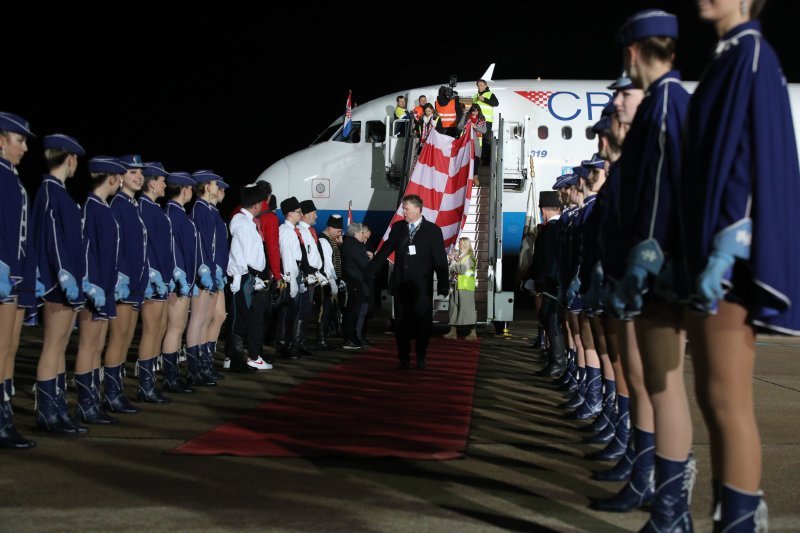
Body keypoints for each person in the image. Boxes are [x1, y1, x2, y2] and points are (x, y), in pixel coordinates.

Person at [681, 1, 798, 529]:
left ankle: (743, 521)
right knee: (712, 398)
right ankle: (732, 517)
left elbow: (752, 158)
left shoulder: (752, 56)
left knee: (728, 401)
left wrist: (732, 244)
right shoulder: (728, 58)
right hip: (708, 251)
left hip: (728, 262)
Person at [31, 134, 88, 435]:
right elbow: (54, 238)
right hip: (57, 283)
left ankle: (58, 409)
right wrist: (64, 274)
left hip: (67, 283)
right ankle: (47, 412)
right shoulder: (51, 191)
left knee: (60, 346)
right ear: (69, 158)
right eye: (76, 158)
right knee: (52, 347)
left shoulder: (59, 192)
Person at [366, 195, 448, 369]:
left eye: (406, 209)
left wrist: (443, 282)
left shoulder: (432, 230)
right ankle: (403, 357)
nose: (403, 212)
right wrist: (370, 271)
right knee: (401, 324)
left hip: (421, 287)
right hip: (401, 284)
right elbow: (384, 251)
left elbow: (440, 259)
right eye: (403, 209)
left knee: (423, 323)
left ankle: (421, 356)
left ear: (418, 209)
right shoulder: (398, 228)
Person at [75, 157, 126, 425]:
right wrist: (89, 282)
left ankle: (92, 401)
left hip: (105, 287)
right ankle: (86, 404)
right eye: (119, 176)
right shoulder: (92, 207)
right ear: (110, 178)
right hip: (93, 287)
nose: (121, 181)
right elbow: (85, 249)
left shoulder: (103, 208)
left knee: (96, 346)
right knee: (89, 345)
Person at [0, 112, 36, 449]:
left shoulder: (12, 178)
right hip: (3, 276)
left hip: (12, 278)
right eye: (19, 139)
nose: (24, 147)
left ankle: (4, 419)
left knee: (9, 349)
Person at [105, 154, 149, 414]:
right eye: (133, 172)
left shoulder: (132, 206)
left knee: (125, 338)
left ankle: (116, 391)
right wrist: (120, 275)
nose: (139, 176)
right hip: (123, 284)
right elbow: (116, 245)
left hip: (136, 284)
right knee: (118, 339)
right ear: (120, 177)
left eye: (140, 172)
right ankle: (111, 393)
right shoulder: (119, 205)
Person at [137, 162, 174, 404]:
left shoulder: (155, 209)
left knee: (158, 329)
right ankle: (145, 385)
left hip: (162, 278)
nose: (165, 184)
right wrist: (151, 273)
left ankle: (150, 381)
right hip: (152, 280)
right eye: (161, 180)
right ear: (151, 182)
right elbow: (143, 246)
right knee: (150, 332)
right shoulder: (143, 208)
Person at [162, 171, 200, 391]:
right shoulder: (173, 213)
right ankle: (170, 376)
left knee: (178, 327)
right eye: (189, 189)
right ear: (184, 189)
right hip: (177, 281)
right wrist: (179, 274)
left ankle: (173, 374)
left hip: (186, 279)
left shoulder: (179, 213)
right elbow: (173, 246)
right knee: (175, 328)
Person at [227, 182, 271, 371]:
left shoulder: (247, 222)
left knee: (244, 316)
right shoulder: (242, 222)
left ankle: (236, 359)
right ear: (256, 204)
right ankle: (235, 360)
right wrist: (237, 275)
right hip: (243, 275)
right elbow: (238, 252)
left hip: (250, 276)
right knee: (240, 318)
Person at [276, 196, 304, 358]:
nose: (301, 215)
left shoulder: (291, 231)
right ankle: (283, 346)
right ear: (289, 213)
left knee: (291, 312)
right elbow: (287, 257)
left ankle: (288, 344)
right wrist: (291, 280)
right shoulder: (286, 232)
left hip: (295, 273)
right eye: (298, 212)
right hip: (289, 276)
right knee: (286, 313)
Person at [341, 222, 370, 350]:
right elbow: (364, 264)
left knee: (350, 312)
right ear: (356, 233)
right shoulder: (354, 245)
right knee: (353, 313)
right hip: (356, 282)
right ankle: (350, 339)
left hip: (350, 281)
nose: (363, 235)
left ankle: (351, 338)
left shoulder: (346, 244)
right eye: (362, 233)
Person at [443, 237, 478, 340]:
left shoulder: (469, 257)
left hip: (465, 287)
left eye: (461, 244)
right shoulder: (460, 257)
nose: (459, 245)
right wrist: (452, 261)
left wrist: (453, 263)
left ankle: (473, 333)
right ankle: (452, 332)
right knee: (453, 308)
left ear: (466, 245)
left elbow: (462, 269)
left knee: (467, 310)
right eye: (459, 243)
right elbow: (455, 269)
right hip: (455, 286)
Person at [317, 214, 343, 350]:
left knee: (329, 311)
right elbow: (328, 264)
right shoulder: (324, 240)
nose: (339, 234)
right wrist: (332, 281)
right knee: (324, 311)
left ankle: (324, 338)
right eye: (338, 231)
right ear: (331, 228)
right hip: (326, 281)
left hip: (332, 280)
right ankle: (320, 340)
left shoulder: (331, 240)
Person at [457, 104, 488, 185]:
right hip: (466, 141)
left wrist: (475, 127)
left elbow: (484, 130)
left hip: (476, 143)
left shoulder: (482, 118)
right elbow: (459, 126)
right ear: (471, 110)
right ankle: (466, 178)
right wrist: (465, 126)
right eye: (473, 111)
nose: (475, 113)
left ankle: (475, 177)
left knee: (476, 160)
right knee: (466, 159)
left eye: (477, 111)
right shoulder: (466, 116)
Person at [474, 79, 499, 165]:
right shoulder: (475, 96)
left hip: (487, 121)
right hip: (477, 121)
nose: (480, 87)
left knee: (486, 140)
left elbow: (496, 103)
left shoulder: (490, 94)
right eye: (478, 85)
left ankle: (486, 162)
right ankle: (478, 158)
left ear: (485, 86)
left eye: (481, 85)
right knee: (477, 140)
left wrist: (484, 99)